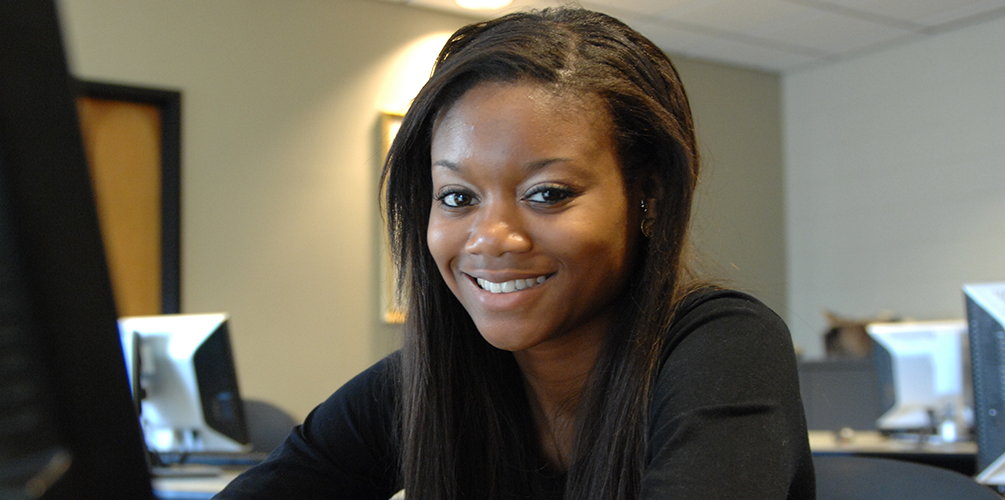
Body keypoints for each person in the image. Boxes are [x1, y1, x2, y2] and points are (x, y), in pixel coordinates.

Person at [218, 7, 813, 499]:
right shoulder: (428, 378)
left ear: (648, 196)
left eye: (547, 194)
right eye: (456, 196)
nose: (489, 237)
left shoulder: (726, 348)